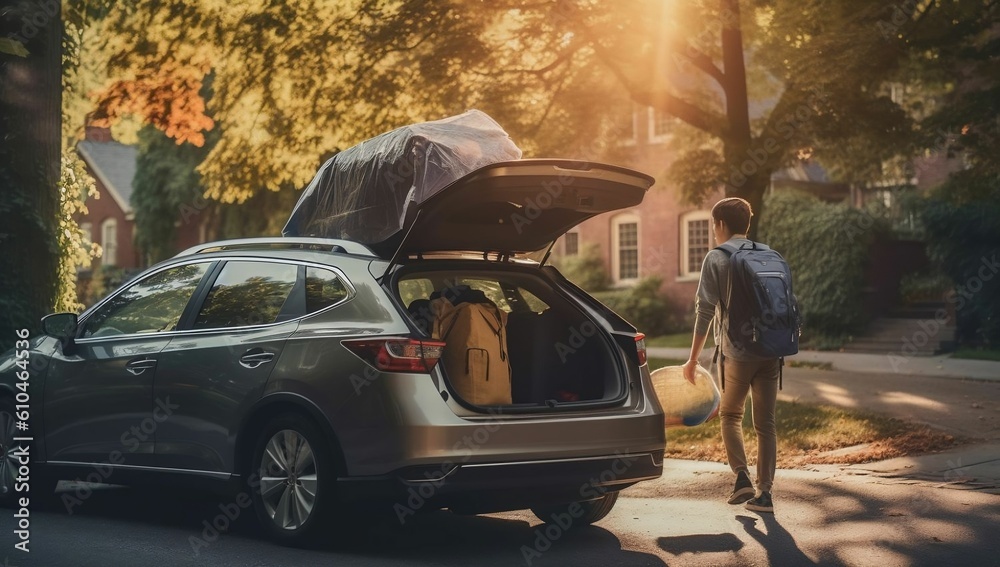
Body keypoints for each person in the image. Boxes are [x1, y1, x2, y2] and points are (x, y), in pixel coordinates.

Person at [683, 197, 779, 514]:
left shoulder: (717, 257)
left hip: (738, 351)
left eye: (713, 225)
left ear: (720, 225)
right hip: (772, 349)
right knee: (765, 424)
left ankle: (741, 477)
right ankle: (765, 494)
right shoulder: (767, 253)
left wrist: (693, 359)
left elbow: (704, 311)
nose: (713, 231)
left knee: (731, 414)